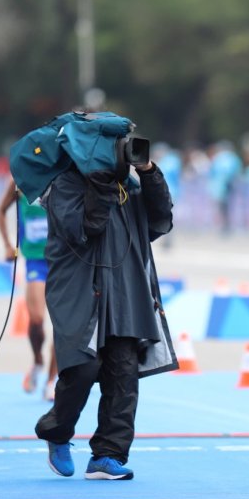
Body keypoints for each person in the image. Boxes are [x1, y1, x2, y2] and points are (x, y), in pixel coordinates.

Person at [34, 141, 176, 480]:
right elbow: (86, 228)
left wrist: (149, 173)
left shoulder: (131, 188)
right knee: (82, 370)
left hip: (126, 293)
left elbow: (161, 222)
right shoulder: (63, 186)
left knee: (123, 376)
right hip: (81, 293)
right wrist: (101, 182)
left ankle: (107, 455)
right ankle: (57, 433)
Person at [0, 177, 58, 400]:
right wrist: (6, 244)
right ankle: (38, 361)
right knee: (36, 319)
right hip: (35, 260)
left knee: (61, 325)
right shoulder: (20, 180)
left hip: (61, 260)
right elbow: (1, 211)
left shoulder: (64, 173)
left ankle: (52, 380)